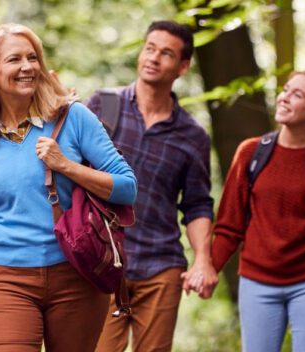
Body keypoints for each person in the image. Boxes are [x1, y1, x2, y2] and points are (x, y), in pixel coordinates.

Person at [0, 23, 137, 351]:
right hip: (8, 281)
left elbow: (127, 187)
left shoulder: (74, 118)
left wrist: (65, 165)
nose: (28, 67)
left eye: (33, 57)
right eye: (15, 60)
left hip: (76, 275)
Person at [86, 20, 217, 352]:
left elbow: (198, 204)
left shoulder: (192, 135)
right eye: (150, 48)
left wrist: (203, 258)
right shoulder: (103, 106)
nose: (154, 58)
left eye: (167, 53)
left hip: (160, 266)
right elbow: (70, 171)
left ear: (183, 67)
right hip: (103, 262)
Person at [210, 71, 305, 352]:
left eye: (297, 94)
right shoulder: (251, 153)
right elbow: (230, 226)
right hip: (257, 282)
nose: (284, 97)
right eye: (285, 89)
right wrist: (209, 269)